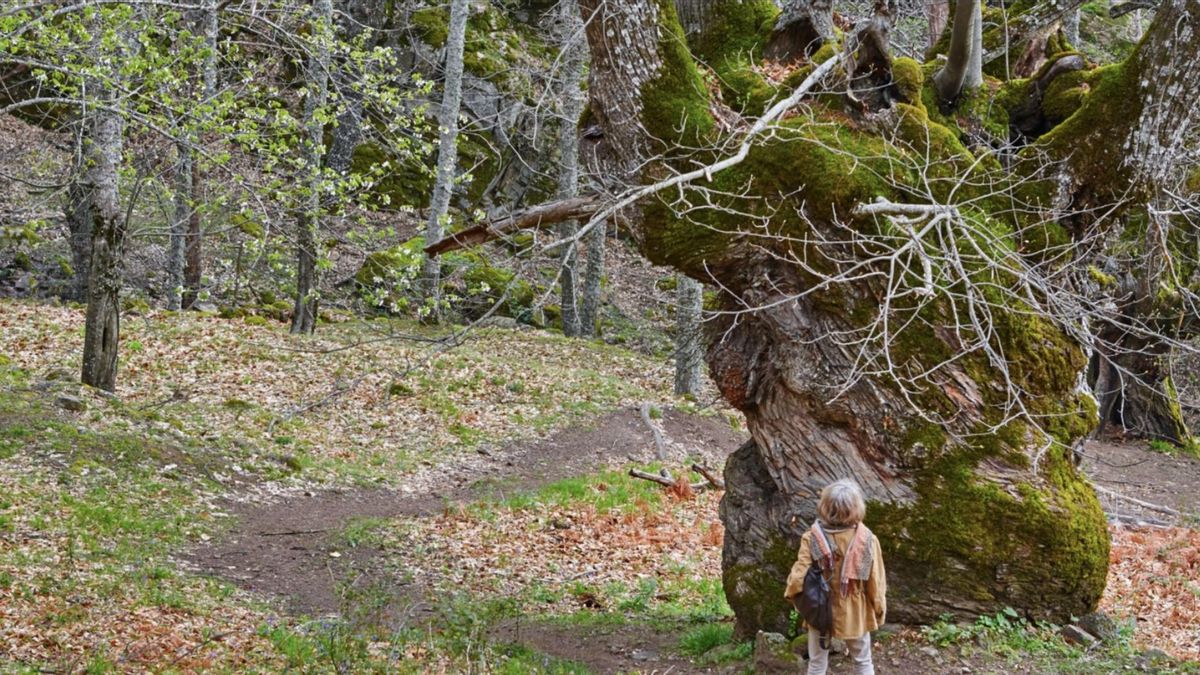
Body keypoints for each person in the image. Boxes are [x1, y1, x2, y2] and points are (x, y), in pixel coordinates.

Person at [784, 479, 887, 675]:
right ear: (856, 508)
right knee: (863, 662)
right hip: (854, 611)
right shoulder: (867, 540)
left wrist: (794, 597)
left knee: (816, 663)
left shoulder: (812, 537)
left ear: (825, 507)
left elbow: (800, 574)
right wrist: (878, 607)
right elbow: (876, 580)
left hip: (820, 609)